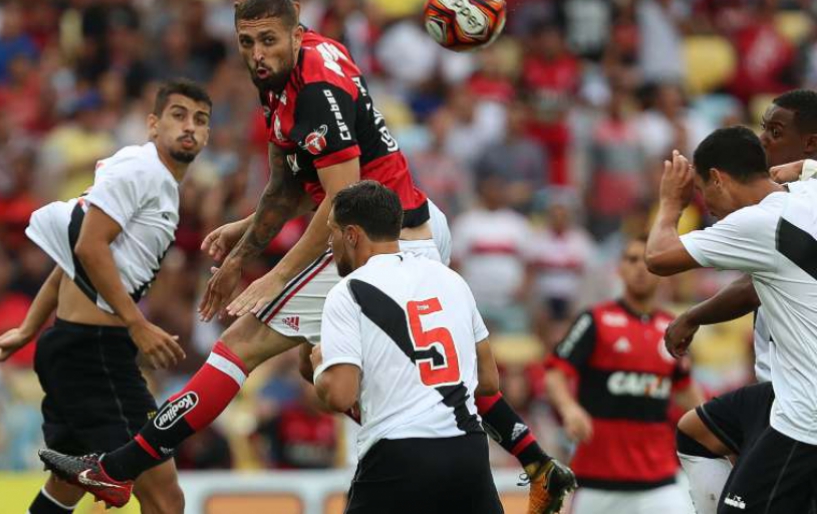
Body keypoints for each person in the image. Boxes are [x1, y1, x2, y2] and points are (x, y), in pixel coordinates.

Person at [39, 0, 575, 512]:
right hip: (409, 221)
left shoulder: (315, 90)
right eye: (245, 41)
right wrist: (245, 245)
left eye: (266, 39)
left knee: (239, 345)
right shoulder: (288, 71)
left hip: (384, 235)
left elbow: (340, 197)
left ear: (295, 26)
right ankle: (532, 458)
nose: (255, 53)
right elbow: (288, 187)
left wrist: (273, 277)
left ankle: (117, 470)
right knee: (312, 362)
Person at [0, 79, 212, 514]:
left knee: (67, 486)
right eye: (178, 115)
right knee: (164, 496)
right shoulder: (143, 170)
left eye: (200, 119)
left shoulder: (149, 177)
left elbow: (71, 254)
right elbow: (88, 247)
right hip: (95, 356)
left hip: (72, 344)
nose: (189, 127)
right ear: (153, 124)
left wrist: (27, 329)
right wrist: (136, 323)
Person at [310, 181, 509, 514]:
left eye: (333, 233)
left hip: (398, 456)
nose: (330, 244)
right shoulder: (451, 280)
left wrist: (320, 366)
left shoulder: (348, 292)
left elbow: (340, 395)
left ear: (353, 235)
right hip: (467, 453)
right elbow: (488, 381)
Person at [646, 127, 817, 513]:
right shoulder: (808, 194)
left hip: (807, 411)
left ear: (718, 179)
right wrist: (803, 167)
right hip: (786, 389)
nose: (706, 205)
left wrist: (672, 203)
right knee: (696, 432)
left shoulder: (756, 224)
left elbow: (658, 258)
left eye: (703, 192)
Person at [545, 237, 702, 514]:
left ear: (662, 273)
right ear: (619, 268)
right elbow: (555, 373)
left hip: (659, 482)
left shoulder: (672, 328)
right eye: (631, 260)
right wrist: (570, 409)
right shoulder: (594, 320)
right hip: (597, 482)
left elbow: (686, 391)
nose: (639, 268)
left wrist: (717, 429)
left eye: (646, 261)